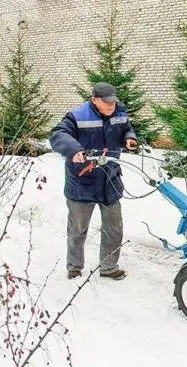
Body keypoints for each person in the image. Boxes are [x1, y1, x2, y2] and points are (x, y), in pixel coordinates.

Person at [49, 82, 137, 280]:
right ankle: (74, 267)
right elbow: (57, 134)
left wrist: (129, 137)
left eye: (113, 102)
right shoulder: (77, 116)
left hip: (110, 180)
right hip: (82, 181)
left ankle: (108, 267)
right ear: (94, 99)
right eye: (106, 103)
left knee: (114, 228)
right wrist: (74, 150)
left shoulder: (118, 111)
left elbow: (126, 127)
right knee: (77, 229)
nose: (110, 106)